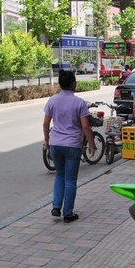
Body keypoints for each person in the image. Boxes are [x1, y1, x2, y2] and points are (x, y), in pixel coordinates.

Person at [42, 70, 96, 223]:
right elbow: (86, 127)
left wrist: (47, 140)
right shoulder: (79, 102)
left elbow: (46, 123)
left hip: (55, 143)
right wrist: (92, 145)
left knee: (59, 175)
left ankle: (56, 206)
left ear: (60, 84)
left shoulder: (52, 100)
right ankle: (68, 213)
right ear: (73, 84)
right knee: (70, 180)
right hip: (72, 145)